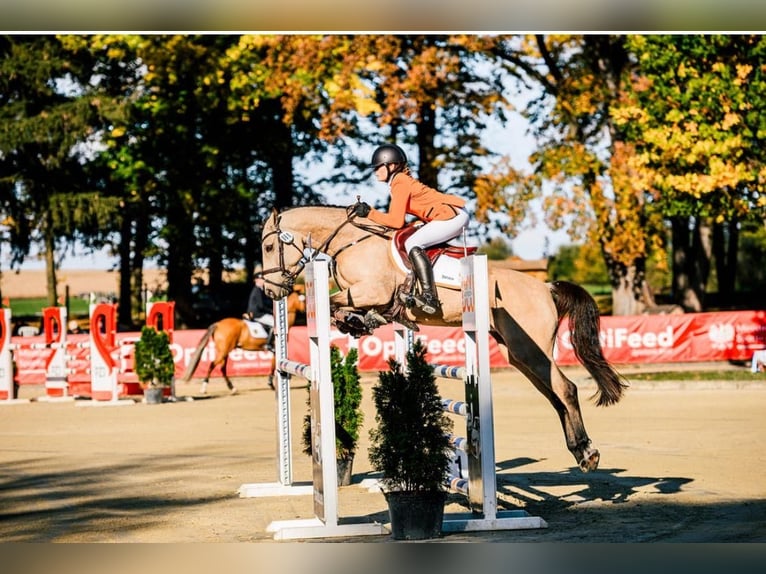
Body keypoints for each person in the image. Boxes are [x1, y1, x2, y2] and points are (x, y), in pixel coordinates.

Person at [353, 143, 468, 315]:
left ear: (391, 166)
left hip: (453, 216)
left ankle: (430, 297)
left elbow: (395, 221)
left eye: (378, 167)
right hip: (450, 214)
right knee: (412, 236)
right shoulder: (399, 182)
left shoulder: (400, 182)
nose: (375, 171)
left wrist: (370, 213)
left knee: (412, 243)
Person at [244, 269, 275, 350]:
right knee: (274, 323)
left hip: (257, 312)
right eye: (262, 279)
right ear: (256, 280)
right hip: (257, 314)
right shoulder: (257, 290)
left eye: (263, 279)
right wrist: (271, 311)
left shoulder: (259, 289)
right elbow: (261, 306)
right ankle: (268, 344)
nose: (263, 281)